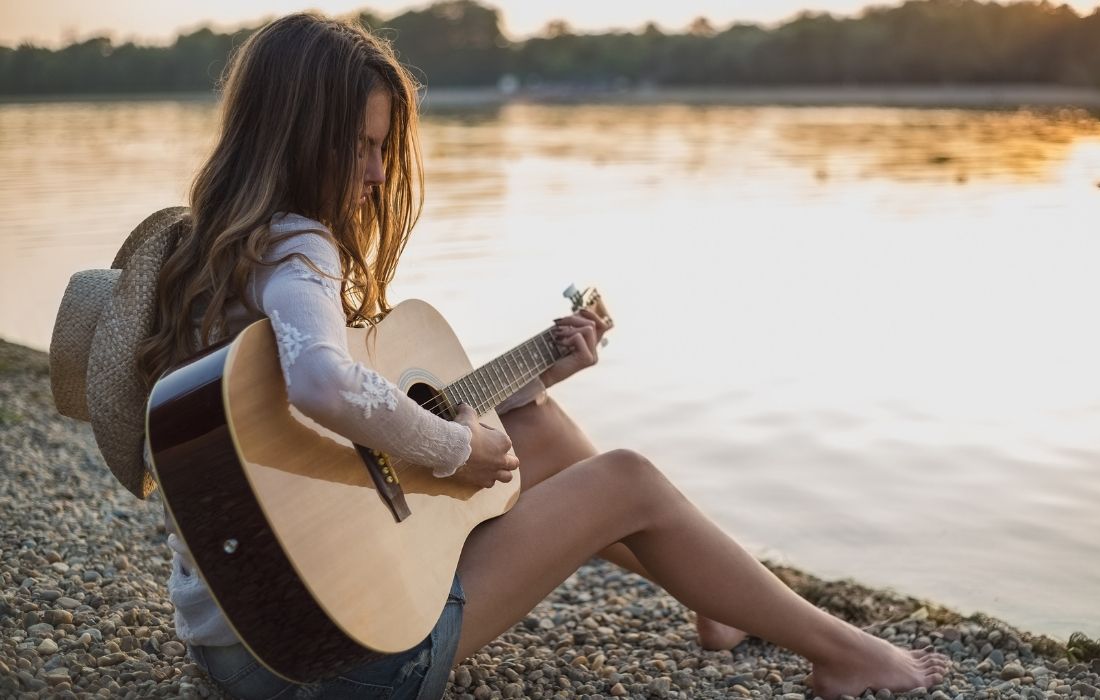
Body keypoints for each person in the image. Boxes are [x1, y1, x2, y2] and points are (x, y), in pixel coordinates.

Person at [134, 12, 951, 700]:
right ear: (296, 137)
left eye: (383, 149)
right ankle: (846, 654)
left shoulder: (201, 251)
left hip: (235, 649)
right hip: (340, 666)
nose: (380, 175)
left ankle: (717, 603)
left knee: (541, 422)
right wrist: (457, 452)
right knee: (625, 477)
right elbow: (322, 384)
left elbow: (306, 438)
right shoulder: (302, 247)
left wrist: (531, 377)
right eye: (360, 148)